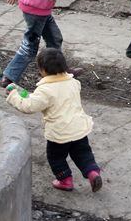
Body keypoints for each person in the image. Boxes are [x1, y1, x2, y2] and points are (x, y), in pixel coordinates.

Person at [6, 48, 102, 192]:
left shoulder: (45, 90)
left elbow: (29, 106)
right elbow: (56, 97)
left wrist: (14, 95)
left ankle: (65, 180)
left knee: (56, 157)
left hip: (59, 133)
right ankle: (92, 172)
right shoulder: (74, 83)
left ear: (43, 70)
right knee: (83, 153)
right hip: (79, 128)